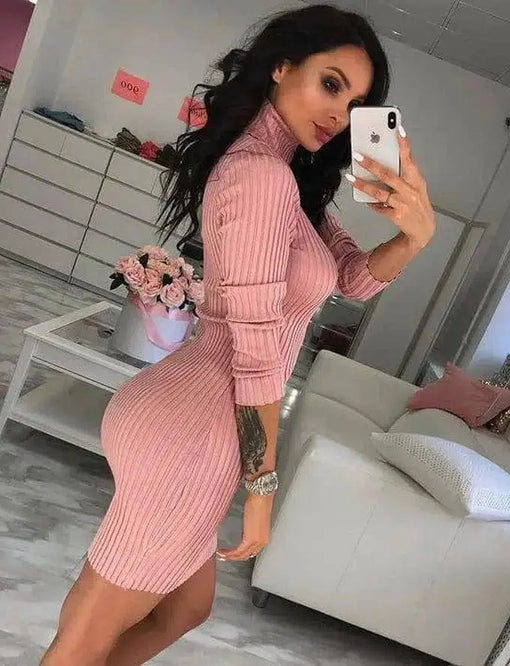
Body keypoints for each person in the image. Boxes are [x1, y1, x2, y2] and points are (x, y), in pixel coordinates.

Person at [41, 4, 435, 665]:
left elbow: (351, 277)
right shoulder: (260, 176)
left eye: (356, 104)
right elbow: (255, 355)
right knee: (87, 636)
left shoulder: (289, 179)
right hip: (194, 430)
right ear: (282, 66)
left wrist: (414, 237)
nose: (339, 115)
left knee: (184, 609)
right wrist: (261, 487)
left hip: (204, 421)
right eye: (330, 84)